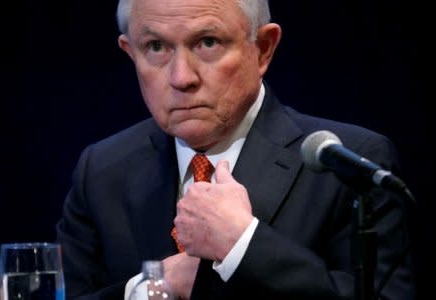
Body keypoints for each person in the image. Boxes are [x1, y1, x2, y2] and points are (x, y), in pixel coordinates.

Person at [56, 0, 415, 299]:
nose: (182, 77)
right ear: (130, 52)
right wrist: (152, 288)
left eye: (207, 42)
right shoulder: (102, 170)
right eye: (156, 47)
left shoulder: (350, 165)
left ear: (263, 48)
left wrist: (243, 246)